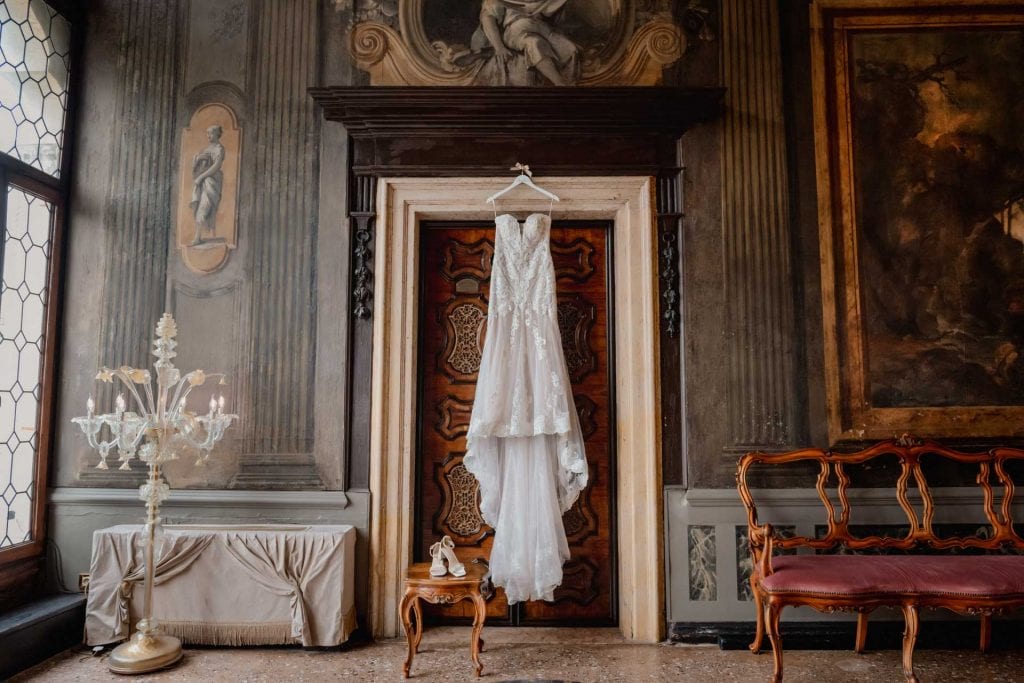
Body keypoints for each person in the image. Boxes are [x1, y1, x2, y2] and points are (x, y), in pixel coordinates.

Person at [471, 0, 580, 86]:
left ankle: (571, 88)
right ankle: (560, 84)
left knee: (570, 49)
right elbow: (488, 18)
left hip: (541, 28)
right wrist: (499, 47)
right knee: (535, 44)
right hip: (516, 31)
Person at [189, 124, 226, 246]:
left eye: (211, 133)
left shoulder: (219, 149)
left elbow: (216, 167)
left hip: (212, 183)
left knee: (204, 207)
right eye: (207, 133)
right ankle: (198, 236)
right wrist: (197, 158)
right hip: (202, 183)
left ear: (217, 134)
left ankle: (197, 236)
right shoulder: (206, 149)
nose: (208, 135)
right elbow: (196, 166)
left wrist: (201, 177)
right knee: (199, 206)